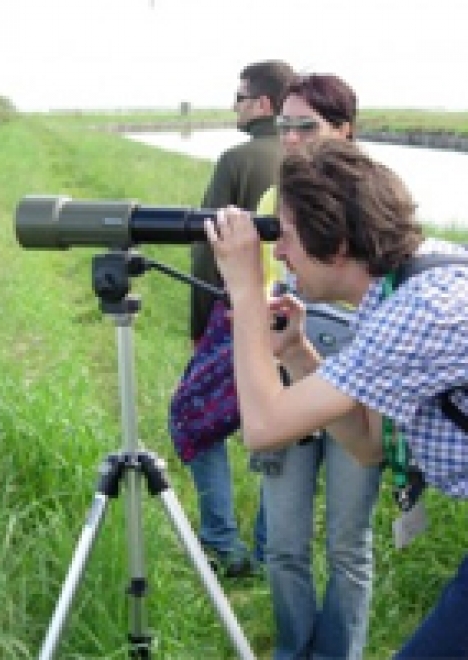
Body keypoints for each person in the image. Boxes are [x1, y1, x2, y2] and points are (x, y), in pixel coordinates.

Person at [205, 137, 468, 658]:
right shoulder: (408, 280)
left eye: (287, 236)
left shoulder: (415, 312)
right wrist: (299, 355)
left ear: (338, 241)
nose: (278, 251)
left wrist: (245, 289)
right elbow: (369, 445)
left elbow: (262, 427)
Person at [251, 74, 382, 660]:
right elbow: (255, 285)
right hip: (291, 373)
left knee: (348, 544)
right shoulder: (270, 201)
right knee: (283, 543)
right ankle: (293, 650)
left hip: (361, 376)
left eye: (309, 126)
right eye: (285, 127)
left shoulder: (377, 199)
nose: (295, 139)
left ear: (345, 131)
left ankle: (339, 655)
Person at [186, 59, 296, 577]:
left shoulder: (238, 159)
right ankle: (270, 549)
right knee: (279, 430)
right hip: (297, 316)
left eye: (240, 96)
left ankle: (222, 545)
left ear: (264, 104)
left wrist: (199, 324)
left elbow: (208, 246)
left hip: (240, 314)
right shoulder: (311, 158)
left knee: (194, 420)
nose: (233, 105)